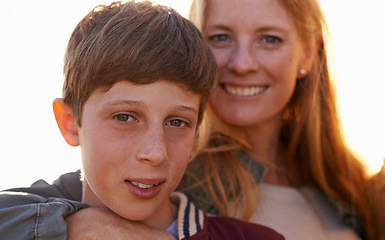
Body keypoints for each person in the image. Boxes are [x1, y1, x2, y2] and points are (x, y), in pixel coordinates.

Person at [0, 0, 380, 239]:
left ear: (308, 54)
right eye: (220, 37)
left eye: (269, 39)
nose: (242, 64)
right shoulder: (167, 177)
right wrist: (74, 225)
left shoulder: (345, 184)